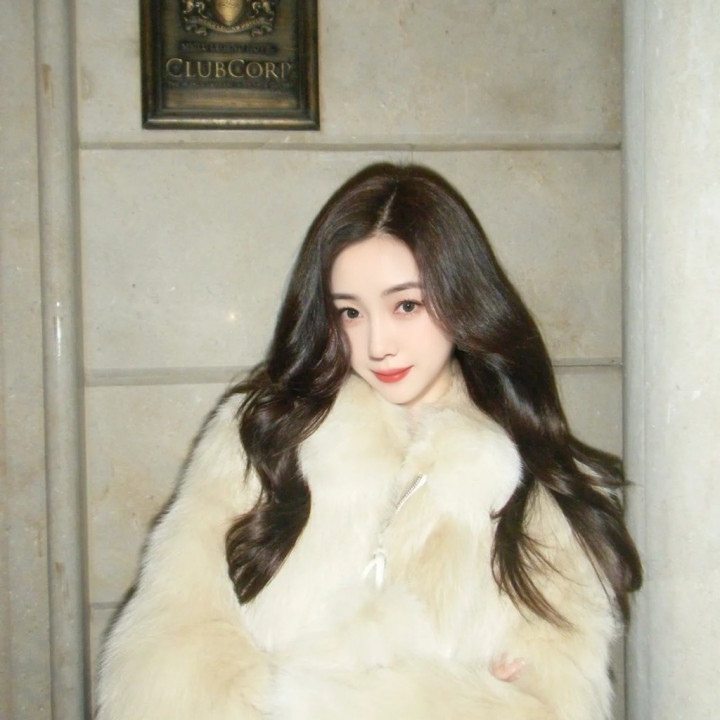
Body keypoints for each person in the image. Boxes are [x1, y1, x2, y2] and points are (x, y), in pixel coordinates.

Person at [95, 163, 642, 720]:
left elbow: (555, 704)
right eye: (351, 313)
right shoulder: (266, 436)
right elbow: (165, 655)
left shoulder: (543, 491)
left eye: (406, 305)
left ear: (462, 299)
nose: (378, 344)